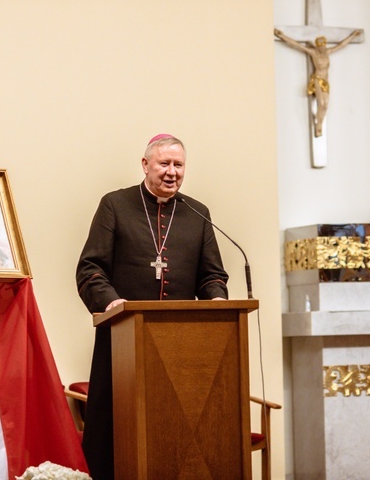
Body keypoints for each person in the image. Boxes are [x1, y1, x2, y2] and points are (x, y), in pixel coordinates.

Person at [75, 133, 229, 479]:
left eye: (178, 165)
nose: (171, 172)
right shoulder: (115, 205)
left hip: (181, 348)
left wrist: (218, 301)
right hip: (122, 342)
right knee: (116, 432)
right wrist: (114, 304)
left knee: (176, 431)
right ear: (145, 165)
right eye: (164, 163)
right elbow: (90, 268)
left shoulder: (197, 213)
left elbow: (211, 275)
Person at [274, 28, 362, 137]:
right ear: (317, 46)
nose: (322, 47)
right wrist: (282, 36)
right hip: (317, 79)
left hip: (325, 81)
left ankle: (320, 121)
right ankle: (318, 125)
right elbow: (297, 45)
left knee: (326, 105)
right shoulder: (313, 52)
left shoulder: (328, 52)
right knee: (321, 103)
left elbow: (341, 45)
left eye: (323, 45)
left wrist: (353, 35)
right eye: (320, 46)